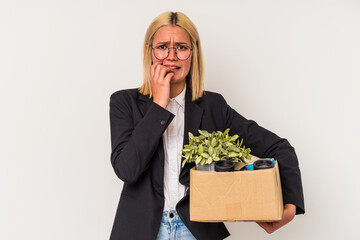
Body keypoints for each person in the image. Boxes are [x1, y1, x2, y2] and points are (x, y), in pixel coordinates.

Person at [109, 11, 305, 240]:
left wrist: (290, 204)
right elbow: (127, 170)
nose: (171, 56)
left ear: (193, 54)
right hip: (139, 231)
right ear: (149, 52)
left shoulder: (213, 106)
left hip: (196, 231)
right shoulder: (124, 102)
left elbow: (279, 148)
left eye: (181, 47)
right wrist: (159, 106)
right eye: (162, 46)